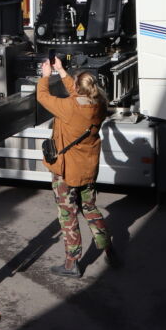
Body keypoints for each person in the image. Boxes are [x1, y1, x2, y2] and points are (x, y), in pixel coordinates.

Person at [35, 56, 117, 277]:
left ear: (79, 89)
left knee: (67, 214)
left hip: (66, 171)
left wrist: (45, 76)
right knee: (89, 208)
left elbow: (42, 97)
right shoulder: (98, 103)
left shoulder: (69, 108)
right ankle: (108, 247)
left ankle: (72, 263)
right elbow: (77, 93)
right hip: (88, 168)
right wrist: (61, 71)